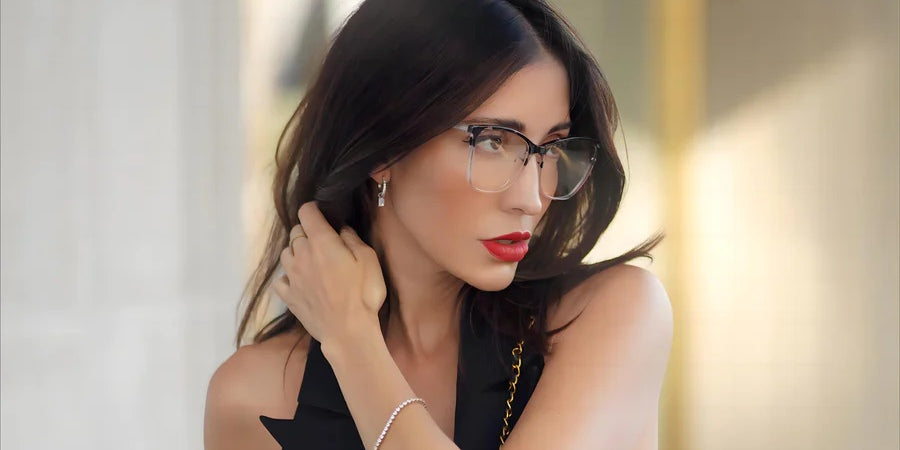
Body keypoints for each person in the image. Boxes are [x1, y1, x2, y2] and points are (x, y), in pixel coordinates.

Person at [204, 0, 673, 448]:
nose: (532, 199)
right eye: (492, 142)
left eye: (549, 149)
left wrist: (353, 341)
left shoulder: (613, 317)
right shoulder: (253, 396)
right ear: (384, 149)